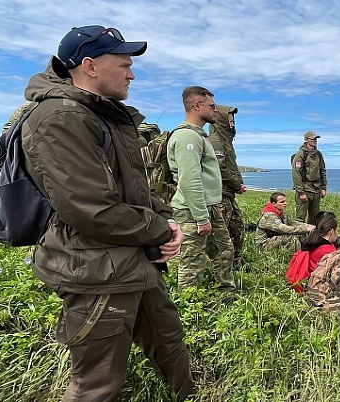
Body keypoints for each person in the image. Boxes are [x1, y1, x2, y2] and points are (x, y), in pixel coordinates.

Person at [21, 25, 194, 400]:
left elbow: (135, 189)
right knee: (98, 383)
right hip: (96, 269)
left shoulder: (103, 115)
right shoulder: (59, 118)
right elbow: (93, 210)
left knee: (169, 341)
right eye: (124, 65)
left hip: (131, 261)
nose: (132, 75)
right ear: (90, 66)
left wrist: (166, 218)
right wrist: (161, 230)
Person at [168, 86, 236, 291]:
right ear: (197, 106)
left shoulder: (198, 136)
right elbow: (189, 180)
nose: (215, 110)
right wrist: (201, 218)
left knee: (224, 250)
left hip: (208, 207)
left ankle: (225, 293)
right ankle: (189, 303)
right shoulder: (187, 137)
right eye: (212, 106)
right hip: (193, 210)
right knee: (192, 261)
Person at [208, 104, 247, 270]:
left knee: (237, 230)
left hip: (228, 194)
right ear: (221, 119)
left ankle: (234, 266)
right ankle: (219, 270)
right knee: (221, 236)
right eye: (229, 119)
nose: (232, 123)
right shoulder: (215, 140)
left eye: (233, 120)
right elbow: (220, 167)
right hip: (220, 195)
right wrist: (236, 185)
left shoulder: (225, 140)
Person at [285, 211, 340, 292]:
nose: (338, 234)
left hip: (302, 278)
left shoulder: (312, 239)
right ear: (332, 231)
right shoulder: (329, 250)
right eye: (337, 230)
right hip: (314, 284)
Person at [292, 130, 327, 224]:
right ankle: (300, 234)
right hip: (305, 189)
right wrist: (300, 191)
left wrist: (323, 188)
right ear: (306, 140)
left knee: (315, 217)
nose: (315, 140)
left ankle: (312, 233)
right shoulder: (300, 154)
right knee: (300, 217)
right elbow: (296, 173)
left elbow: (322, 171)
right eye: (312, 139)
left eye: (316, 139)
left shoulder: (318, 154)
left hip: (316, 189)